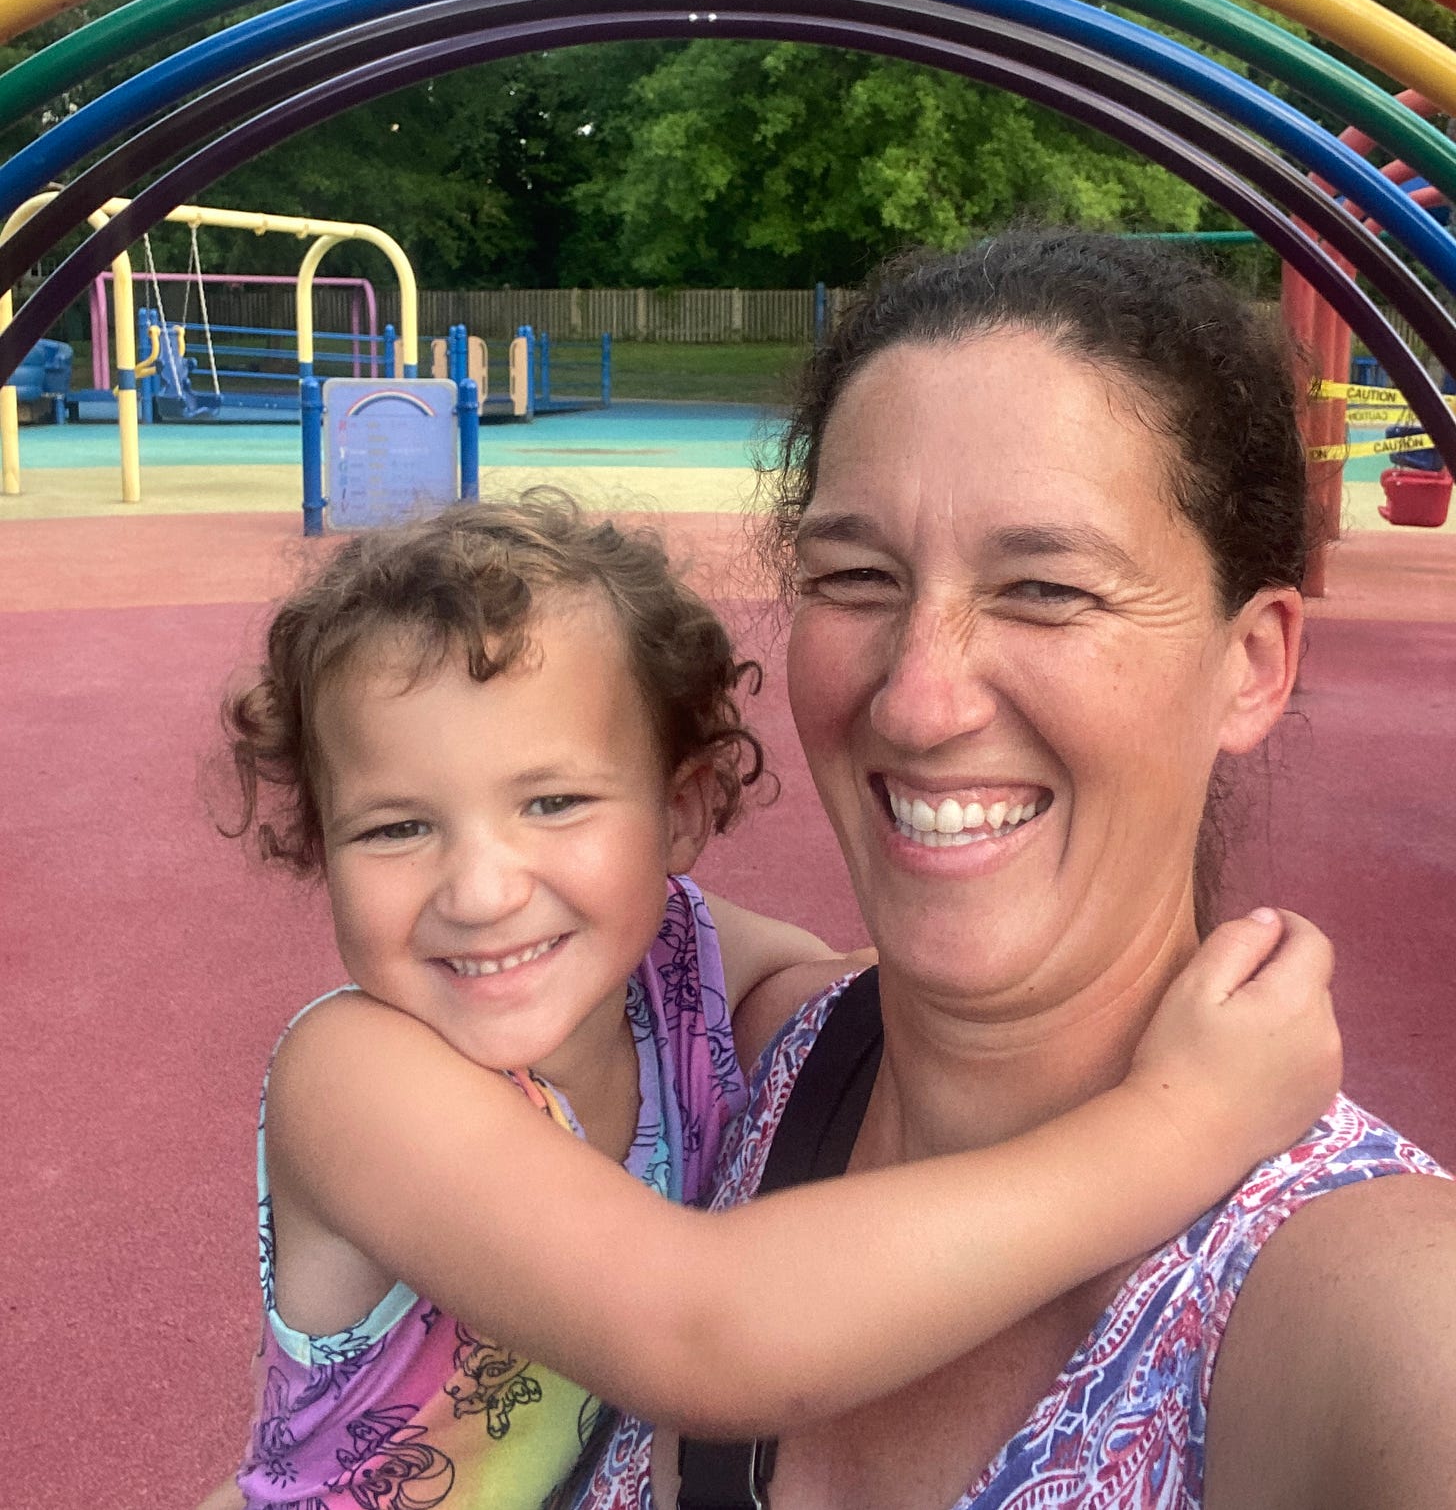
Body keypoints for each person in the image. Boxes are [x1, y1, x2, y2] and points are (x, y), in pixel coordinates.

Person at [201, 491, 1337, 1510]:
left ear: (684, 810)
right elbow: (703, 1335)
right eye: (396, 827)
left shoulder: (689, 967)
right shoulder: (358, 1078)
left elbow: (894, 1001)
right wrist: (1185, 1120)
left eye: (551, 803)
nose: (482, 889)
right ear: (321, 843)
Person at [578, 231, 1456, 1509]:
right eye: (856, 577)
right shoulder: (719, 1065)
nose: (922, 699)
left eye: (1046, 589)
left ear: (1252, 664)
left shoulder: (1375, 1316)